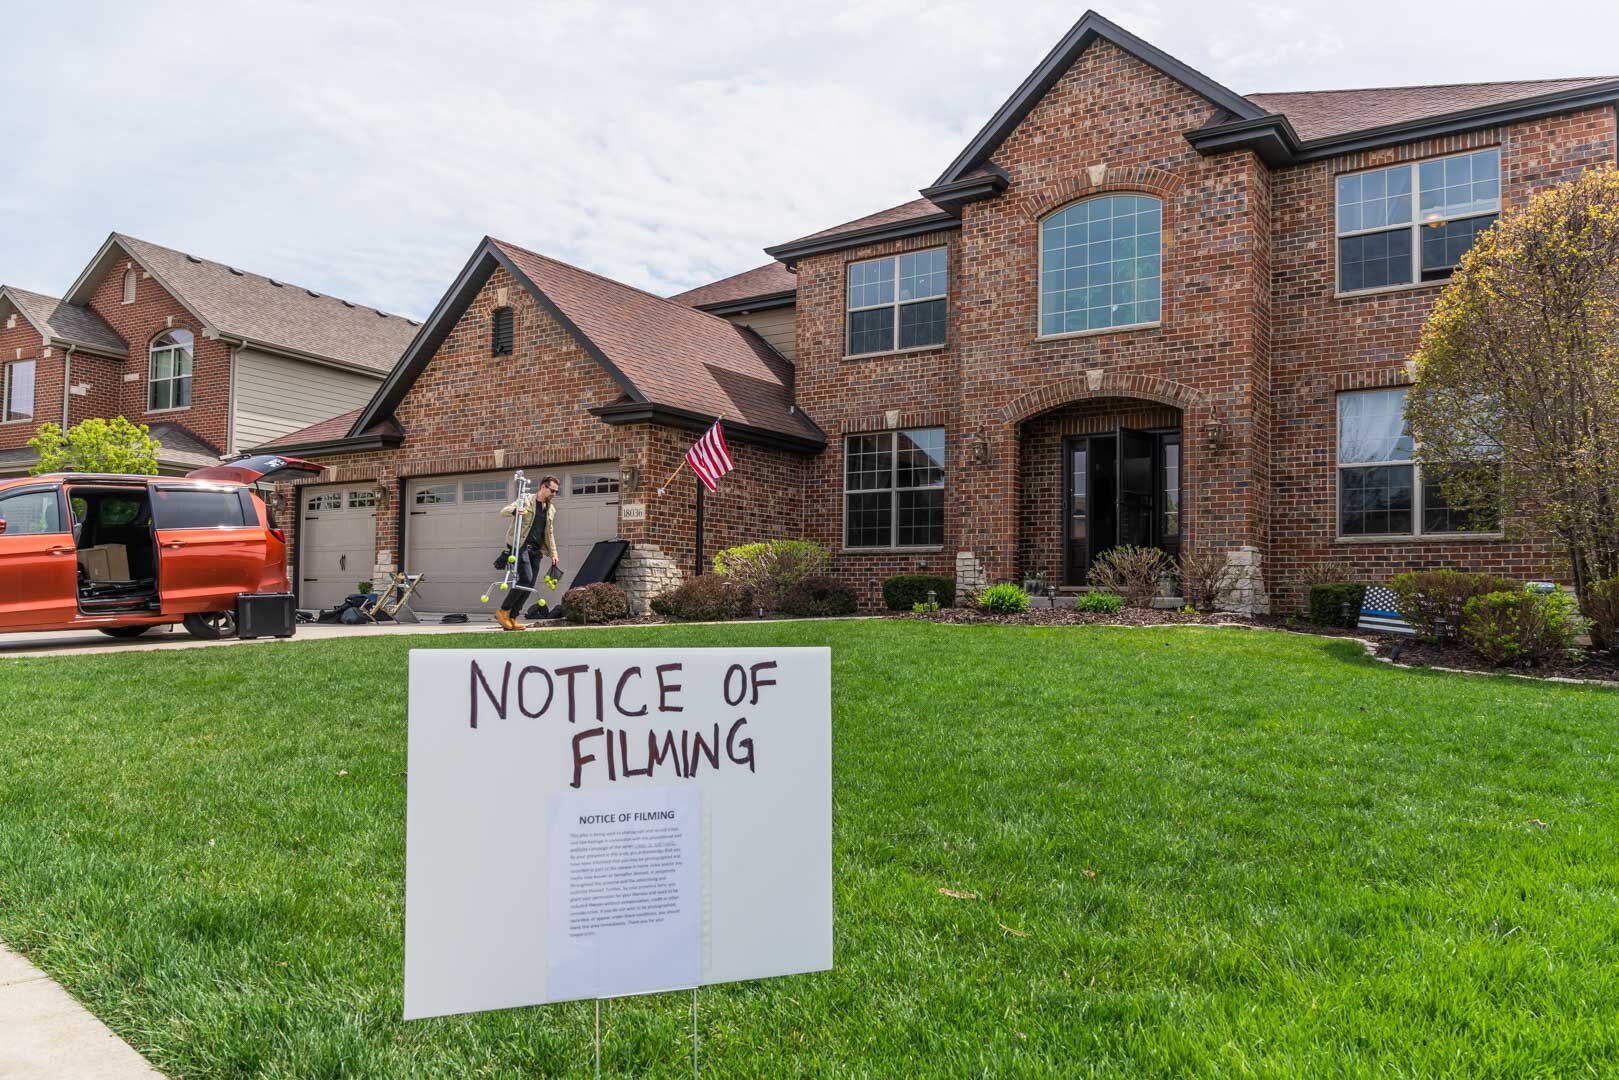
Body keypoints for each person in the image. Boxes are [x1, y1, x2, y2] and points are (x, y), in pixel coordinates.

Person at [496, 474, 560, 630]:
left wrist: (554, 553)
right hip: (520, 545)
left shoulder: (550, 508)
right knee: (526, 578)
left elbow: (549, 533)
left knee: (529, 584)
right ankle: (503, 611)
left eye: (556, 491)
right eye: (552, 490)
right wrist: (515, 510)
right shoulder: (525, 499)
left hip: (536, 550)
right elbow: (503, 511)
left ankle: (512, 617)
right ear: (543, 487)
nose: (554, 494)